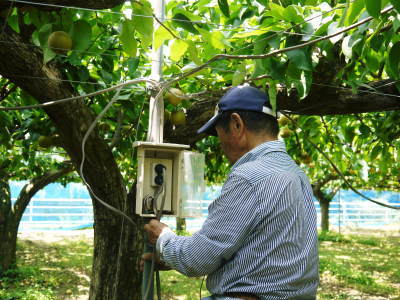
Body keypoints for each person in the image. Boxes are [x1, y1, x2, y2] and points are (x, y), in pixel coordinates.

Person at [142, 85, 319, 300]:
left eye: (219, 135)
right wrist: (170, 257)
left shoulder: (250, 176)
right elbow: (264, 249)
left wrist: (164, 238)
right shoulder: (296, 173)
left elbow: (196, 259)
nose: (221, 146)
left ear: (236, 124)